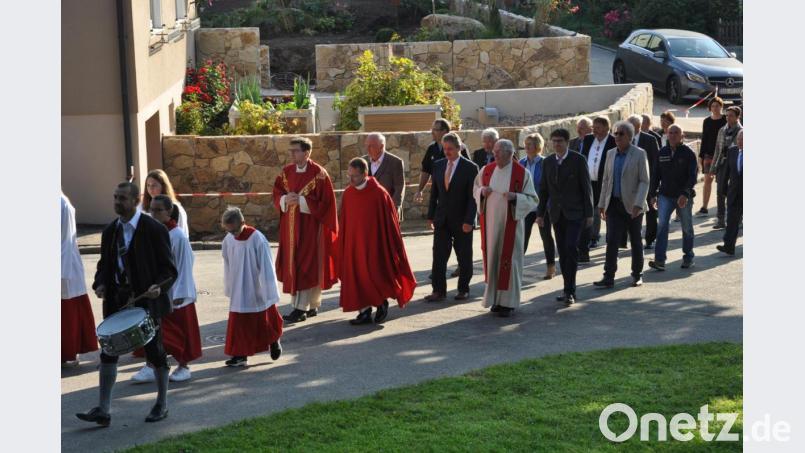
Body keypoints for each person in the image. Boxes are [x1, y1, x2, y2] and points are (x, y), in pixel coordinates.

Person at [77, 182, 177, 426]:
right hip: (117, 302)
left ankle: (162, 403)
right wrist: (100, 283)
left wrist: (158, 287)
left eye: (122, 198)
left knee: (155, 353)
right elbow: (104, 265)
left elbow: (169, 270)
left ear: (135, 200)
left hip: (146, 303)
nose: (117, 202)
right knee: (108, 353)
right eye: (115, 197)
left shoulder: (154, 229)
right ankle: (103, 409)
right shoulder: (110, 231)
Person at [337, 158, 417, 324]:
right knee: (357, 276)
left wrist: (388, 244)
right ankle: (364, 312)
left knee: (375, 275)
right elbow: (344, 220)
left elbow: (390, 221)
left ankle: (381, 303)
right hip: (354, 244)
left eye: (355, 176)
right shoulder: (348, 194)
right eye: (349, 175)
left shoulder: (379, 193)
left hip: (375, 244)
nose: (351, 180)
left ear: (365, 174)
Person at [131, 195, 201, 383]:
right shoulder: (150, 231)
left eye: (158, 210)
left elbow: (184, 264)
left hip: (174, 293)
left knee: (179, 331)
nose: (153, 214)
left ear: (169, 212)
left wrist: (180, 293)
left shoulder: (177, 235)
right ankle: (151, 364)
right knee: (152, 329)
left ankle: (183, 366)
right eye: (151, 210)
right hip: (154, 290)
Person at [273, 137, 338, 323]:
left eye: (296, 150)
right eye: (291, 150)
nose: (292, 154)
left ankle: (299, 309)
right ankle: (310, 305)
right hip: (290, 227)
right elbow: (277, 192)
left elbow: (326, 203)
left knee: (305, 264)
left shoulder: (319, 174)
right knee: (296, 263)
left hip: (310, 228)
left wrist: (301, 201)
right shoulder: (286, 172)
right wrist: (285, 200)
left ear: (307, 152)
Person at [474, 139, 539, 316]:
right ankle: (495, 300)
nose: (494, 155)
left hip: (512, 225)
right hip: (491, 227)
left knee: (510, 263)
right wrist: (482, 192)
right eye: (494, 151)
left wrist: (516, 197)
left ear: (509, 153)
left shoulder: (521, 173)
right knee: (493, 261)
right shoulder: (487, 170)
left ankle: (508, 303)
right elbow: (476, 188)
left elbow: (533, 199)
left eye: (498, 152)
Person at [536, 129, 594, 305]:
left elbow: (586, 188)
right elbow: (544, 190)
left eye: (560, 141)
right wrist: (540, 213)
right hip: (556, 214)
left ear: (567, 142)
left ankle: (571, 289)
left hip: (575, 213)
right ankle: (566, 289)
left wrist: (589, 214)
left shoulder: (578, 160)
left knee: (571, 248)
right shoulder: (547, 162)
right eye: (553, 141)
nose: (556, 144)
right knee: (562, 251)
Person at [221, 207, 283, 367]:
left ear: (242, 222)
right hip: (238, 286)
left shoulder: (257, 239)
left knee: (263, 319)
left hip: (256, 285)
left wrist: (268, 290)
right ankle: (240, 354)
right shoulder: (228, 239)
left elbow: (266, 266)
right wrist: (229, 285)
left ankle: (274, 341)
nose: (233, 234)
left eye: (234, 230)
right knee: (239, 322)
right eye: (228, 231)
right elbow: (227, 262)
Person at [594, 121, 650, 288]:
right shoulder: (611, 153)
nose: (617, 137)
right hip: (613, 204)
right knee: (611, 240)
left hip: (633, 205)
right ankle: (608, 276)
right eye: (616, 133)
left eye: (621, 134)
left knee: (635, 240)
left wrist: (638, 204)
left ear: (630, 137)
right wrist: (602, 203)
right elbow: (606, 180)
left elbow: (644, 181)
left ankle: (637, 274)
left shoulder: (639, 154)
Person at [425, 132, 479, 302]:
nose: (447, 152)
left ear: (458, 148)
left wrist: (469, 221)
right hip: (442, 219)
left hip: (462, 220)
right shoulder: (439, 165)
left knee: (464, 256)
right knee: (439, 256)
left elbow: (473, 197)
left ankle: (463, 289)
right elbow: (434, 193)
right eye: (445, 148)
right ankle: (438, 290)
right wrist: (431, 215)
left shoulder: (470, 168)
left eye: (450, 149)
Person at [648, 125, 698, 271]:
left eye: (676, 133)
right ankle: (659, 260)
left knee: (687, 227)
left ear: (682, 135)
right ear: (666, 135)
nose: (673, 135)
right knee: (662, 226)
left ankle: (688, 257)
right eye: (671, 133)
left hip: (683, 196)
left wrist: (685, 194)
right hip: (665, 195)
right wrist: (652, 195)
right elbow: (656, 175)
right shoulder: (662, 152)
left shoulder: (688, 153)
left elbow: (692, 176)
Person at [61, 192, 98, 367]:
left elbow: (64, 240)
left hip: (64, 265)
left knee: (67, 313)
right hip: (64, 263)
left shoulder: (61, 202)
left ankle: (66, 353)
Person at [520, 133, 557, 280]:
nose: (527, 147)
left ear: (537, 147)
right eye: (526, 144)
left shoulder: (546, 162)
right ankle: (517, 267)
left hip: (543, 206)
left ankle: (550, 267)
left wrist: (546, 207)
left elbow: (549, 186)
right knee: (522, 237)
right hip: (526, 207)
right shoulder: (521, 163)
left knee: (546, 236)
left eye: (530, 144)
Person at [579, 116, 615, 256]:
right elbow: (583, 157)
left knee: (600, 209)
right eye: (593, 127)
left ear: (606, 128)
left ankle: (599, 236)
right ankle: (590, 237)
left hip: (604, 181)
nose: (594, 130)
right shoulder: (588, 139)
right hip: (588, 181)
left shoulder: (612, 141)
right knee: (589, 209)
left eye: (598, 127)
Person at [414, 118, 469, 203]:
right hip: (438, 194)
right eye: (431, 129)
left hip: (458, 194)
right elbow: (426, 171)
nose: (432, 132)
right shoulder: (431, 148)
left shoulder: (460, 148)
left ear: (444, 131)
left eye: (435, 130)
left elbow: (468, 170)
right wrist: (419, 190)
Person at [626, 115, 660, 250]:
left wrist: (655, 183)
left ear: (639, 126)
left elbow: (656, 162)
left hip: (647, 181)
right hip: (630, 183)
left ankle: (650, 239)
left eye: (632, 126)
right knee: (630, 210)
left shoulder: (650, 140)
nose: (629, 129)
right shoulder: (624, 139)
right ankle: (633, 236)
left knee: (651, 211)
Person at [710, 106, 743, 230]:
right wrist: (713, 167)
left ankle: (737, 219)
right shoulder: (722, 130)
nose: (728, 118)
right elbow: (717, 149)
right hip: (722, 164)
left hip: (736, 165)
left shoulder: (741, 131)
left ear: (737, 117)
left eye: (731, 115)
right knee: (720, 192)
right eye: (727, 115)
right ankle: (720, 219)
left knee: (735, 193)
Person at [362, 132, 405, 219]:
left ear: (381, 146)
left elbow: (399, 187)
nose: (367, 149)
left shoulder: (395, 162)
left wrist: (393, 208)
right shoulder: (363, 161)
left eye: (371, 146)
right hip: (368, 212)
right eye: (366, 145)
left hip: (388, 212)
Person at [698, 97, 727, 216]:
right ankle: (704, 207)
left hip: (723, 155)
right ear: (710, 108)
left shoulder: (726, 119)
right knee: (707, 181)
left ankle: (722, 207)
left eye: (717, 105)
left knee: (722, 182)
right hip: (709, 154)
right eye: (713, 106)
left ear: (721, 107)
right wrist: (701, 155)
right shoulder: (706, 121)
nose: (715, 108)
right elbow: (704, 138)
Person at [717, 130, 743, 256]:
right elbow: (726, 171)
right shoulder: (732, 151)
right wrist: (723, 189)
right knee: (732, 220)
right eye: (739, 139)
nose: (740, 142)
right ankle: (729, 246)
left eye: (743, 140)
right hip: (734, 192)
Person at [141, 169, 189, 237]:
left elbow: (182, 233)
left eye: (154, 185)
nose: (150, 189)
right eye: (148, 185)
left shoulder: (176, 208)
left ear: (163, 186)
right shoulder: (142, 207)